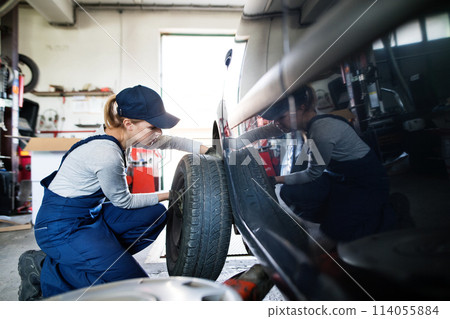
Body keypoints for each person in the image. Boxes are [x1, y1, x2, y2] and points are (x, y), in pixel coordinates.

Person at [18, 85, 211, 300]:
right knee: (136, 288)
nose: (159, 133)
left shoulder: (124, 135)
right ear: (128, 124)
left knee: (154, 213)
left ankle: (95, 258)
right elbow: (124, 202)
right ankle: (43, 268)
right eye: (153, 126)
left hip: (89, 217)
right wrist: (170, 193)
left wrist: (210, 150)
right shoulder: (106, 153)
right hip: (60, 229)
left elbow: (172, 141)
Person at [236, 84, 397, 244]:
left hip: (367, 184)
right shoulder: (296, 121)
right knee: (290, 192)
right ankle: (340, 211)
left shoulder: (322, 131)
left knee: (334, 232)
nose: (277, 124)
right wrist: (231, 146)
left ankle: (390, 211)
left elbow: (312, 173)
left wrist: (275, 179)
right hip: (340, 179)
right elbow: (261, 132)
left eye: (281, 118)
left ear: (301, 107)